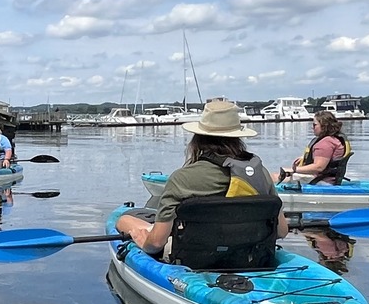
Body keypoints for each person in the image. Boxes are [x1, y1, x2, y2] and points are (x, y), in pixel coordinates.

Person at [114, 99, 283, 257]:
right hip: (249, 255)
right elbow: (282, 230)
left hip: (195, 256)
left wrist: (143, 240)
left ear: (198, 138)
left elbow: (156, 243)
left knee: (125, 220)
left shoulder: (182, 179)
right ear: (238, 138)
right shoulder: (261, 173)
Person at [277, 112, 350, 185]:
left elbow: (318, 167)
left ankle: (270, 194)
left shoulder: (326, 143)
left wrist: (294, 170)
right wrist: (304, 158)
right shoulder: (334, 140)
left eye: (315, 125)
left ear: (324, 126)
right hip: (327, 178)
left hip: (321, 181)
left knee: (273, 177)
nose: (312, 127)